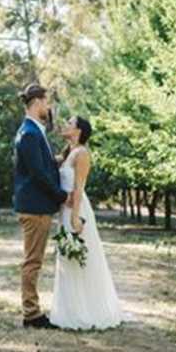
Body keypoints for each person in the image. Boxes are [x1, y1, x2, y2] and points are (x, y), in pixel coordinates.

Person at [49, 116, 124, 330]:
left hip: (77, 209)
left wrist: (75, 216)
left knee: (81, 257)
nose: (65, 125)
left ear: (79, 131)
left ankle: (87, 310)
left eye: (70, 123)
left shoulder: (82, 154)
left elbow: (79, 187)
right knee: (66, 258)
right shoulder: (67, 153)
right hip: (65, 210)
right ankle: (69, 309)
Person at [12, 83, 73, 329]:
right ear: (37, 102)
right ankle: (31, 314)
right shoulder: (29, 133)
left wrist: (70, 152)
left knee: (34, 259)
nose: (48, 107)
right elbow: (38, 173)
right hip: (35, 208)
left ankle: (32, 311)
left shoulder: (35, 131)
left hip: (37, 207)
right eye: (46, 102)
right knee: (33, 261)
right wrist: (61, 196)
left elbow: (44, 165)